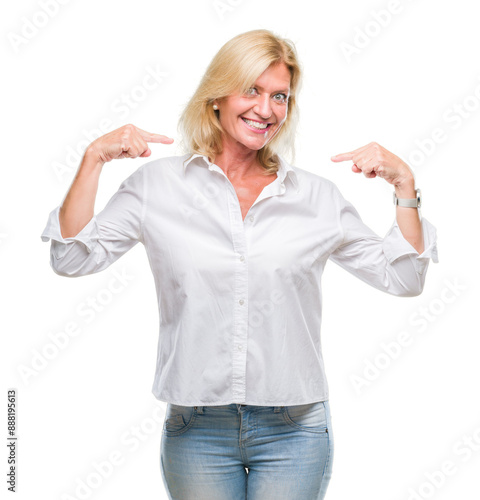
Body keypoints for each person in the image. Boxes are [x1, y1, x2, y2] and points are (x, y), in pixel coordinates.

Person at [41, 29, 438, 500]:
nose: (266, 109)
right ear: (216, 97)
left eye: (279, 97)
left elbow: (404, 277)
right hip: (197, 428)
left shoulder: (316, 198)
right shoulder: (157, 188)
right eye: (251, 90)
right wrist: (94, 159)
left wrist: (405, 188)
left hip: (295, 428)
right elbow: (69, 258)